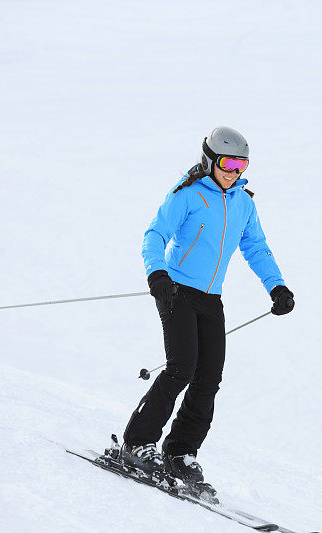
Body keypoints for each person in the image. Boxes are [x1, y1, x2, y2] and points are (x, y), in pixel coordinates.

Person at [122, 126, 295, 484]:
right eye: (229, 163)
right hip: (176, 291)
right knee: (181, 368)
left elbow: (256, 247)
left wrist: (276, 286)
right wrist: (157, 274)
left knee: (209, 377)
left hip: (211, 298)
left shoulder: (243, 203)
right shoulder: (186, 195)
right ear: (209, 160)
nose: (235, 173)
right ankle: (137, 443)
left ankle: (180, 452)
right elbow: (155, 234)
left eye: (242, 165)